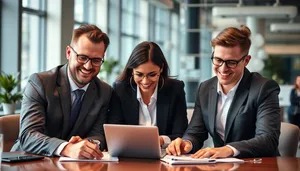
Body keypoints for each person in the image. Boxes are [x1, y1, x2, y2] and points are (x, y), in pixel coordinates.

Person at [166, 25, 281, 158]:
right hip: (222, 165)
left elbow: (268, 139)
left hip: (258, 165)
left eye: (231, 62)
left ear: (246, 61)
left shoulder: (264, 88)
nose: (223, 68)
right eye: (218, 60)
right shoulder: (205, 88)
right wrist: (187, 143)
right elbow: (196, 132)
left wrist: (229, 149)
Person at [11, 24, 112, 159]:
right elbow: (28, 135)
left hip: (74, 165)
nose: (88, 66)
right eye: (82, 57)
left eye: (96, 60)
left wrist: (88, 145)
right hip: (29, 161)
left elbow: (99, 133)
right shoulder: (40, 83)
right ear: (69, 53)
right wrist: (67, 148)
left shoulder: (104, 91)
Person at [109, 41, 188, 146]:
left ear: (161, 68)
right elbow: (115, 132)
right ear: (132, 70)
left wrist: (161, 140)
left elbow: (181, 133)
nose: (145, 81)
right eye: (139, 74)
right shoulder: (120, 90)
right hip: (129, 155)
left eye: (152, 74)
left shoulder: (175, 89)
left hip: (165, 155)